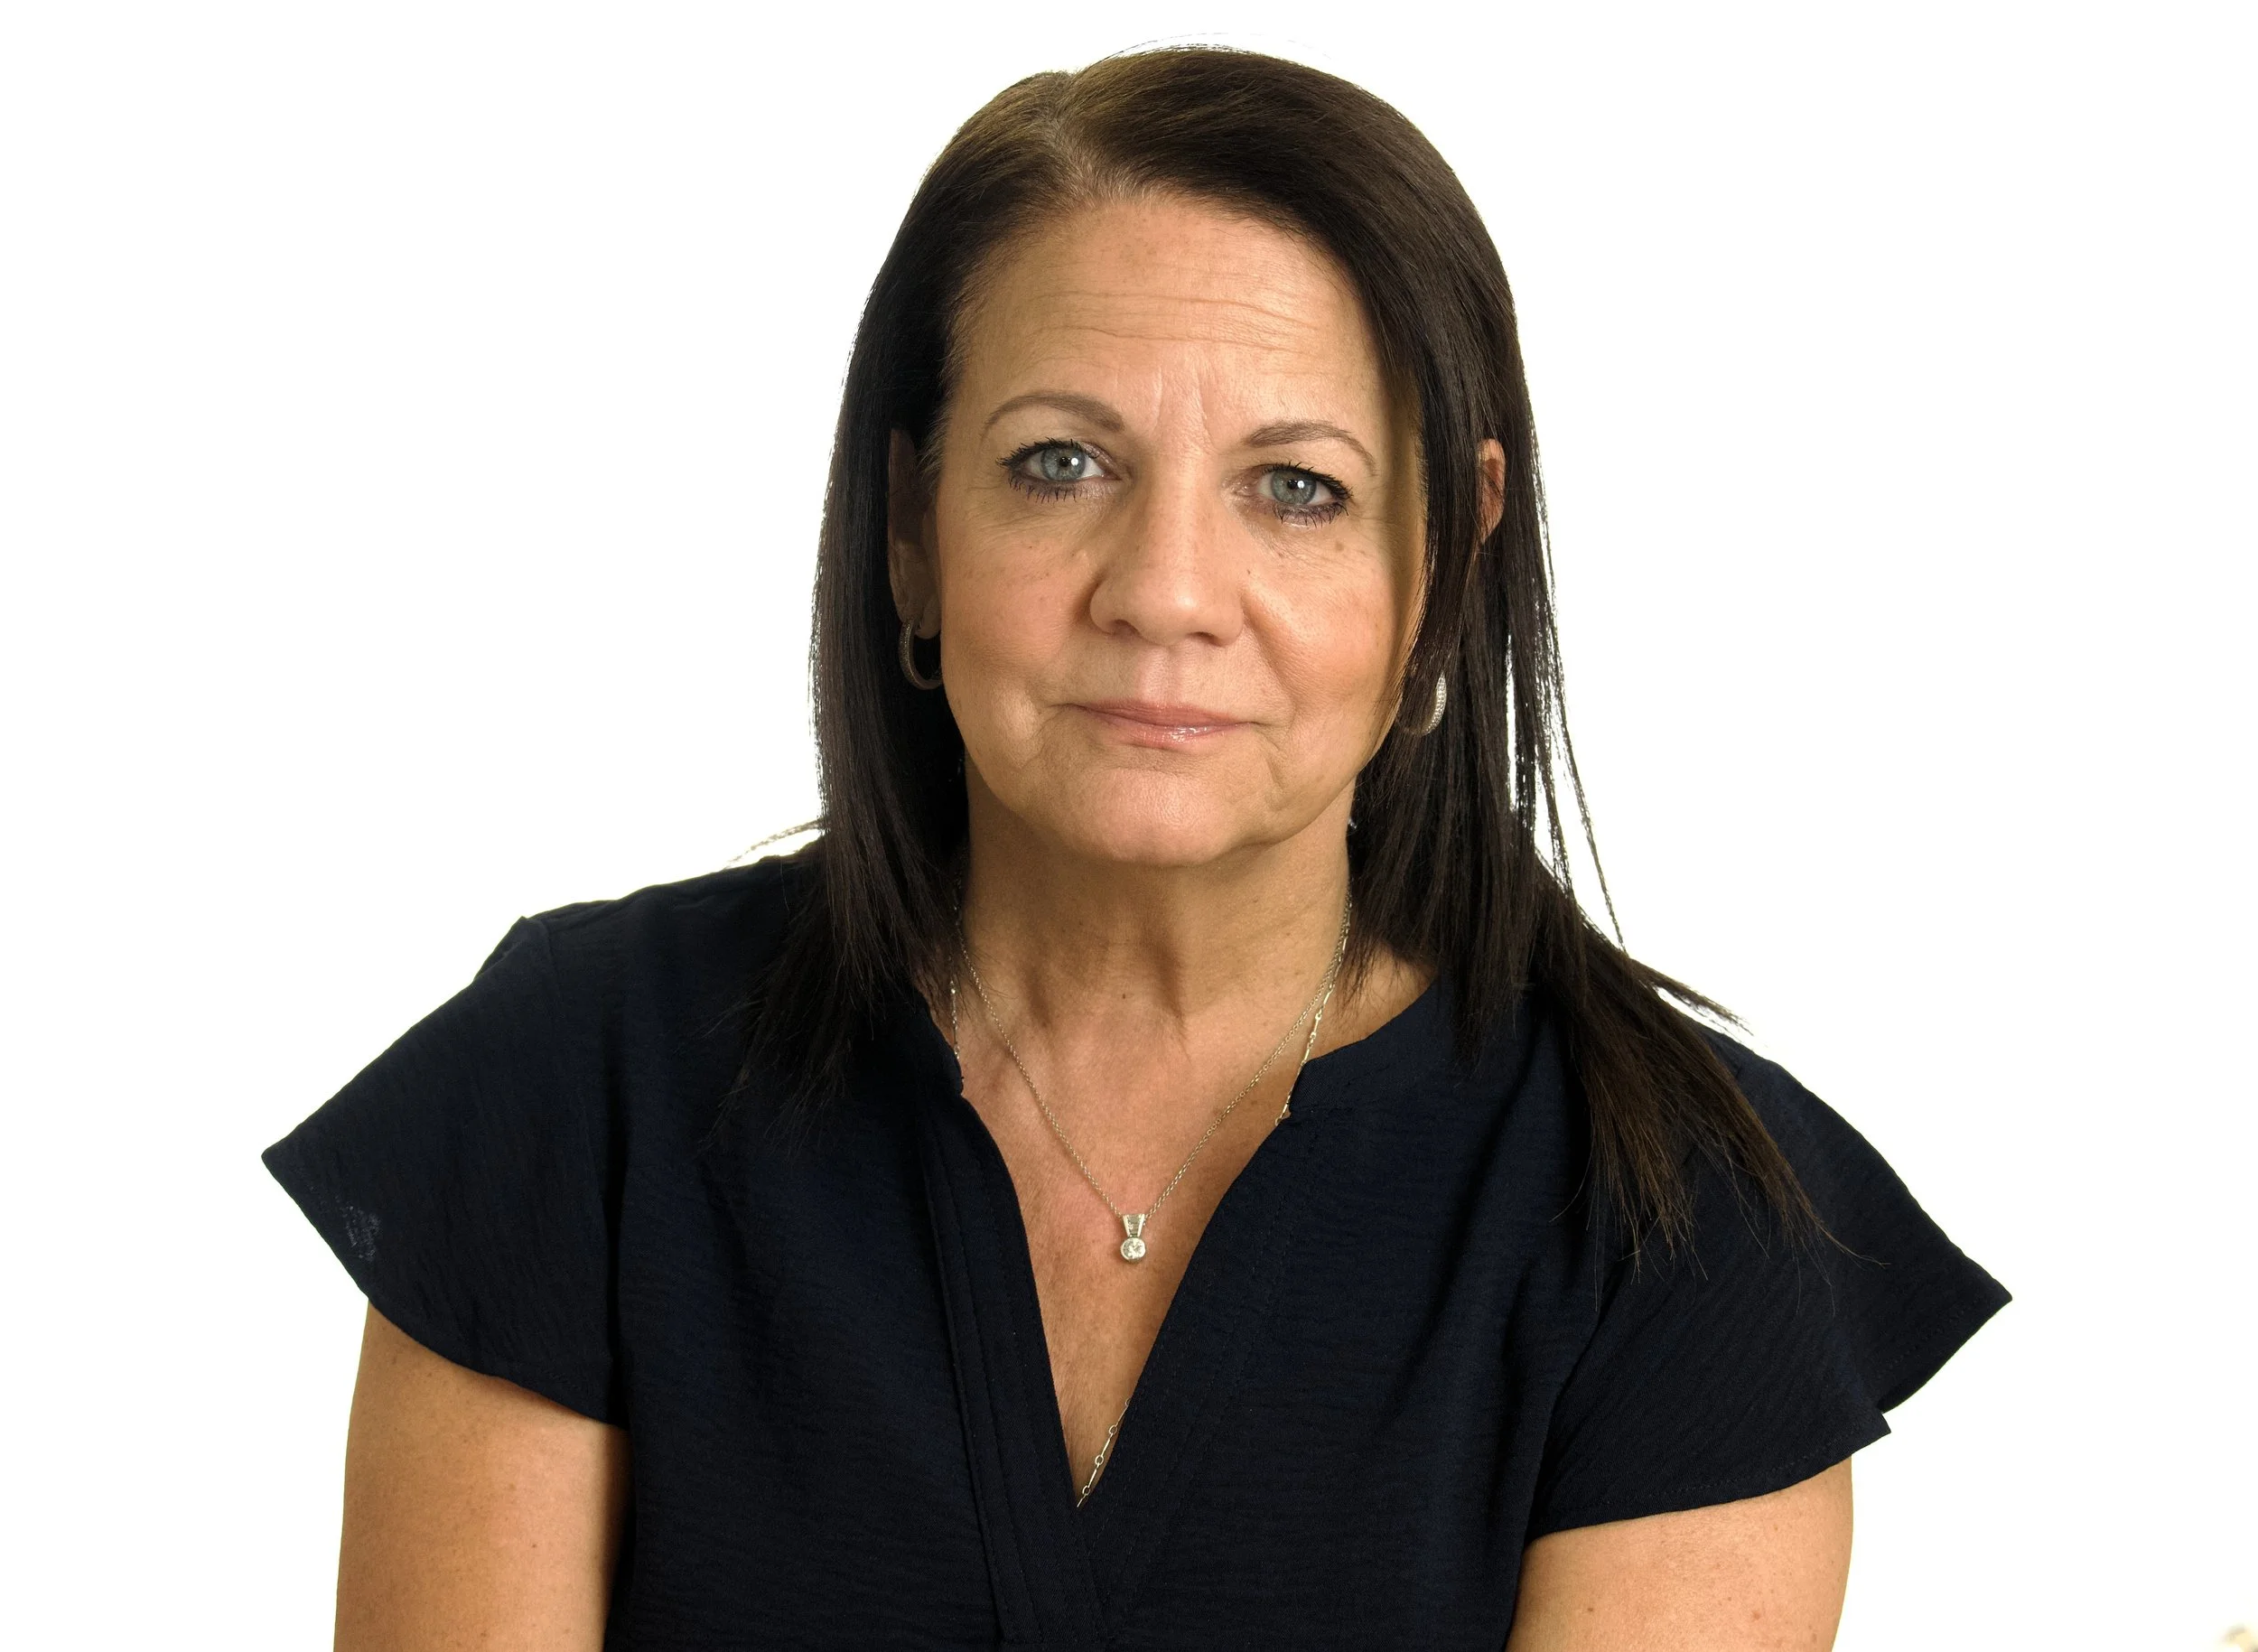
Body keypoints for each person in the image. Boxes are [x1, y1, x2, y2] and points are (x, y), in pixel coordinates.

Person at [266, 46, 2007, 1650]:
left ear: (1449, 573)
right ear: (908, 531)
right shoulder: (583, 1084)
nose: (1166, 591)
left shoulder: (1681, 1217)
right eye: (1060, 463)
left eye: (1298, 488)